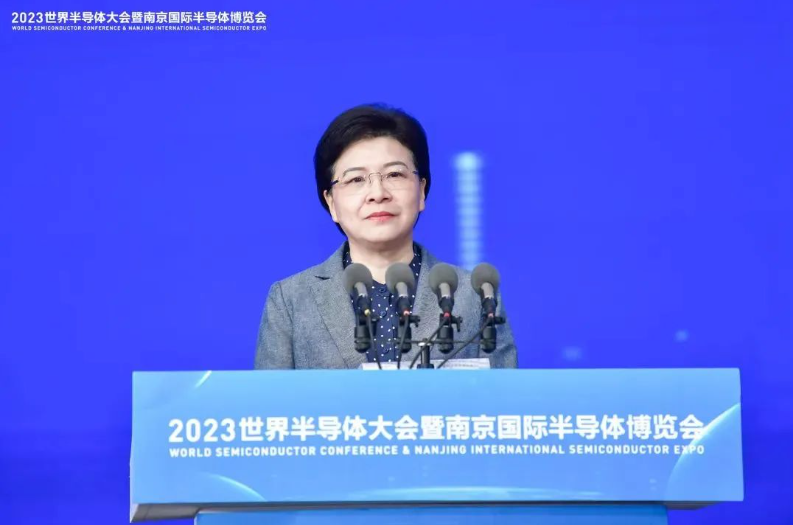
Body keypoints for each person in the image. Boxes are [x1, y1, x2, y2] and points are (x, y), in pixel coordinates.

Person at [254, 104, 517, 370]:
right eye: (356, 180)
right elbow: (268, 396)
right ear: (331, 202)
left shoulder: (475, 294)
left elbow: (505, 392)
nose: (378, 193)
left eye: (394, 174)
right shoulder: (291, 300)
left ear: (421, 191)